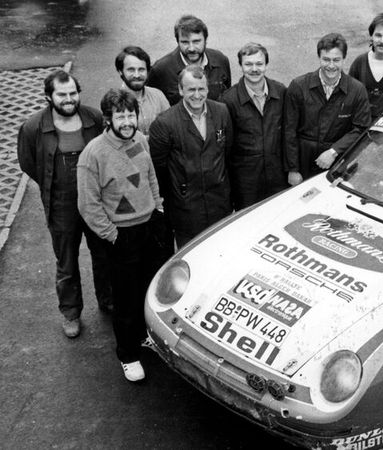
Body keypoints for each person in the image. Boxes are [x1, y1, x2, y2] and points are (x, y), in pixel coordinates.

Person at [77, 89, 164, 382]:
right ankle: (128, 355)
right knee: (125, 299)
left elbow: (150, 176)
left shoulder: (140, 139)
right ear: (107, 119)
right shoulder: (94, 154)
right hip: (120, 235)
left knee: (147, 289)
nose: (127, 121)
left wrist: (158, 208)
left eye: (131, 115)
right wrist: (112, 235)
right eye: (120, 116)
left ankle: (143, 338)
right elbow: (88, 204)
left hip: (149, 226)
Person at [17, 70, 113, 338]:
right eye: (62, 94)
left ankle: (108, 300)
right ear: (49, 97)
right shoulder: (34, 127)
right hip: (61, 203)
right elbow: (29, 163)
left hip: (96, 200)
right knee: (67, 261)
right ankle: (71, 313)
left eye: (73, 93)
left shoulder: (93, 118)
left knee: (103, 254)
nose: (69, 99)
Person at [149, 65, 233, 247]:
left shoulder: (221, 112)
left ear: (208, 88)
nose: (197, 95)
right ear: (180, 90)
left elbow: (227, 154)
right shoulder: (164, 123)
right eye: (191, 89)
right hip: (186, 212)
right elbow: (158, 170)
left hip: (219, 206)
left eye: (201, 89)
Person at [284, 32, 371, 185]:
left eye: (336, 60)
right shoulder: (298, 86)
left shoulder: (357, 90)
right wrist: (293, 169)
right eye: (326, 59)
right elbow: (288, 130)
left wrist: (334, 151)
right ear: (319, 58)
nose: (331, 65)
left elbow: (361, 128)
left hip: (336, 163)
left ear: (344, 59)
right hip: (303, 160)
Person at [221, 42, 287, 209]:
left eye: (259, 64)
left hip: (277, 176)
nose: (254, 69)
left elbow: (288, 132)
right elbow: (226, 146)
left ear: (266, 65)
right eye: (248, 64)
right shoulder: (228, 100)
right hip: (246, 182)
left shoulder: (281, 92)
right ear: (241, 66)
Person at [147, 15, 231, 106]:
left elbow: (227, 98)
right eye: (185, 42)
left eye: (196, 41)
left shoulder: (220, 60)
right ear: (177, 41)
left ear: (205, 40)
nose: (191, 48)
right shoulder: (161, 70)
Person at [115, 45, 170, 136]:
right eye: (131, 70)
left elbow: (170, 127)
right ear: (120, 71)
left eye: (141, 70)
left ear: (148, 71)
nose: (137, 75)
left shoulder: (158, 96)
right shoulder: (113, 102)